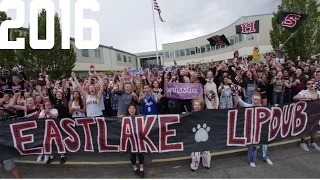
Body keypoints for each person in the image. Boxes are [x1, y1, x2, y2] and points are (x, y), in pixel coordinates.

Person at [235, 92, 273, 168]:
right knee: (252, 145)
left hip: (262, 129)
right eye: (254, 99)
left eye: (257, 100)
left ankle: (265, 157)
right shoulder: (249, 106)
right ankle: (251, 160)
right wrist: (236, 95)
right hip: (252, 130)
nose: (256, 101)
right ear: (251, 99)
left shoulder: (265, 108)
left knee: (264, 144)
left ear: (260, 100)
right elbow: (242, 103)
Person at [293, 79, 320, 151]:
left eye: (313, 83)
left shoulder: (319, 92)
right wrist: (307, 98)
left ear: (315, 84)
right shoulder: (303, 92)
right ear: (306, 85)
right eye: (309, 84)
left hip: (317, 113)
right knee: (305, 127)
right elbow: (295, 97)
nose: (311, 85)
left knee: (315, 128)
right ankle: (302, 142)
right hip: (306, 113)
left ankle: (312, 142)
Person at [190, 97, 211, 173]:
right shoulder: (189, 115)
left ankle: (207, 165)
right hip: (195, 138)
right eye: (195, 105)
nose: (197, 106)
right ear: (193, 106)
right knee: (196, 154)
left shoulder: (205, 114)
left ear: (201, 106)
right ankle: (194, 167)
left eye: (198, 105)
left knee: (206, 153)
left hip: (205, 136)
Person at [127, 104, 145, 178]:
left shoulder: (140, 117)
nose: (132, 110)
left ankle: (141, 169)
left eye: (133, 108)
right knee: (133, 154)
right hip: (131, 139)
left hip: (139, 138)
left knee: (140, 153)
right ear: (128, 110)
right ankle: (135, 168)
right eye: (130, 108)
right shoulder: (125, 118)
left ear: (135, 110)